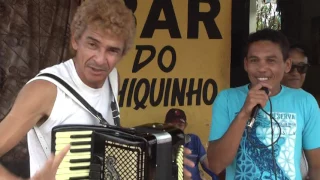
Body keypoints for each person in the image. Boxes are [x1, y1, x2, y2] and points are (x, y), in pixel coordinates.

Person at [0, 0, 194, 179]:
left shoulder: (113, 78)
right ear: (76, 41)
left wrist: (163, 161)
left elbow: (105, 142)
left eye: (112, 50)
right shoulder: (44, 90)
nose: (100, 60)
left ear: (122, 53)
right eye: (93, 44)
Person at [207, 28, 320, 180]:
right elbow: (216, 165)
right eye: (254, 60)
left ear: (287, 65)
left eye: (270, 60)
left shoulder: (305, 101)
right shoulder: (226, 99)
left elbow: (316, 166)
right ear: (246, 64)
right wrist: (244, 113)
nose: (261, 68)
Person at [281, 44, 311, 179]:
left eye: (301, 68)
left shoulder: (309, 103)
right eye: (290, 67)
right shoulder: (262, 102)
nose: (295, 73)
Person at [165, 108, 218, 180]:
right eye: (172, 125)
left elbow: (208, 165)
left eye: (180, 125)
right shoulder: (159, 145)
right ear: (165, 125)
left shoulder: (194, 140)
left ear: (185, 126)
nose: (176, 128)